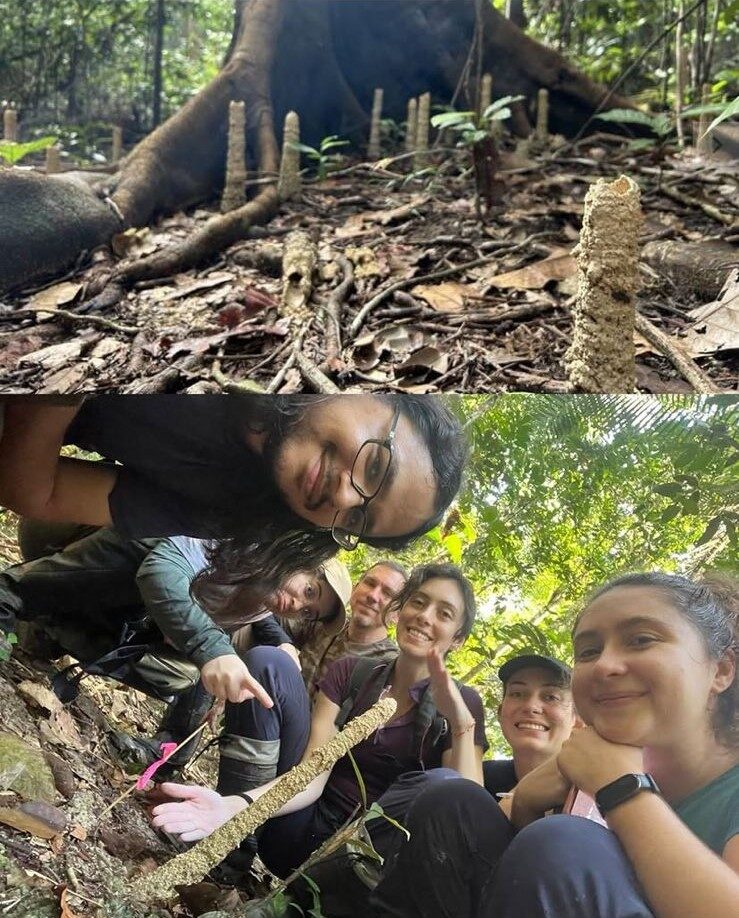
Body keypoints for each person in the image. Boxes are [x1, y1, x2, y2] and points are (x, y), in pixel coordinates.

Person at [368, 571, 739, 918]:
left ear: (720, 670)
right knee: (452, 803)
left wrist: (623, 789)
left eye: (641, 640)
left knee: (564, 843)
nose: (605, 665)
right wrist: (527, 803)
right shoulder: (590, 760)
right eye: (588, 651)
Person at [150, 563, 487, 900]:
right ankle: (233, 843)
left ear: (457, 638)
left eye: (444, 613)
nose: (425, 616)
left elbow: (464, 814)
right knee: (270, 662)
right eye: (418, 602)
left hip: (365, 864)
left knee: (440, 785)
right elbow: (312, 776)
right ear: (400, 610)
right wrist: (234, 808)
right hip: (296, 831)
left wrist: (460, 724)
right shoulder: (353, 673)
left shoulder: (463, 706)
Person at [0, 396, 468, 635]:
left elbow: (37, 494)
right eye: (376, 466)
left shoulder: (235, 507)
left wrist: (61, 391)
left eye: (357, 522)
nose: (344, 498)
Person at [290, 560, 407, 699]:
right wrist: (284, 643)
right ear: (354, 588)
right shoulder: (327, 626)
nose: (373, 596)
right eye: (370, 583)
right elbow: (276, 613)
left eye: (387, 593)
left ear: (397, 615)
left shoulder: (388, 666)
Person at [483, 653, 577, 805]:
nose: (531, 707)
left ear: (577, 720)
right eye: (517, 694)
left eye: (551, 697)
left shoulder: (590, 791)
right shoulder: (482, 779)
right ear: (500, 713)